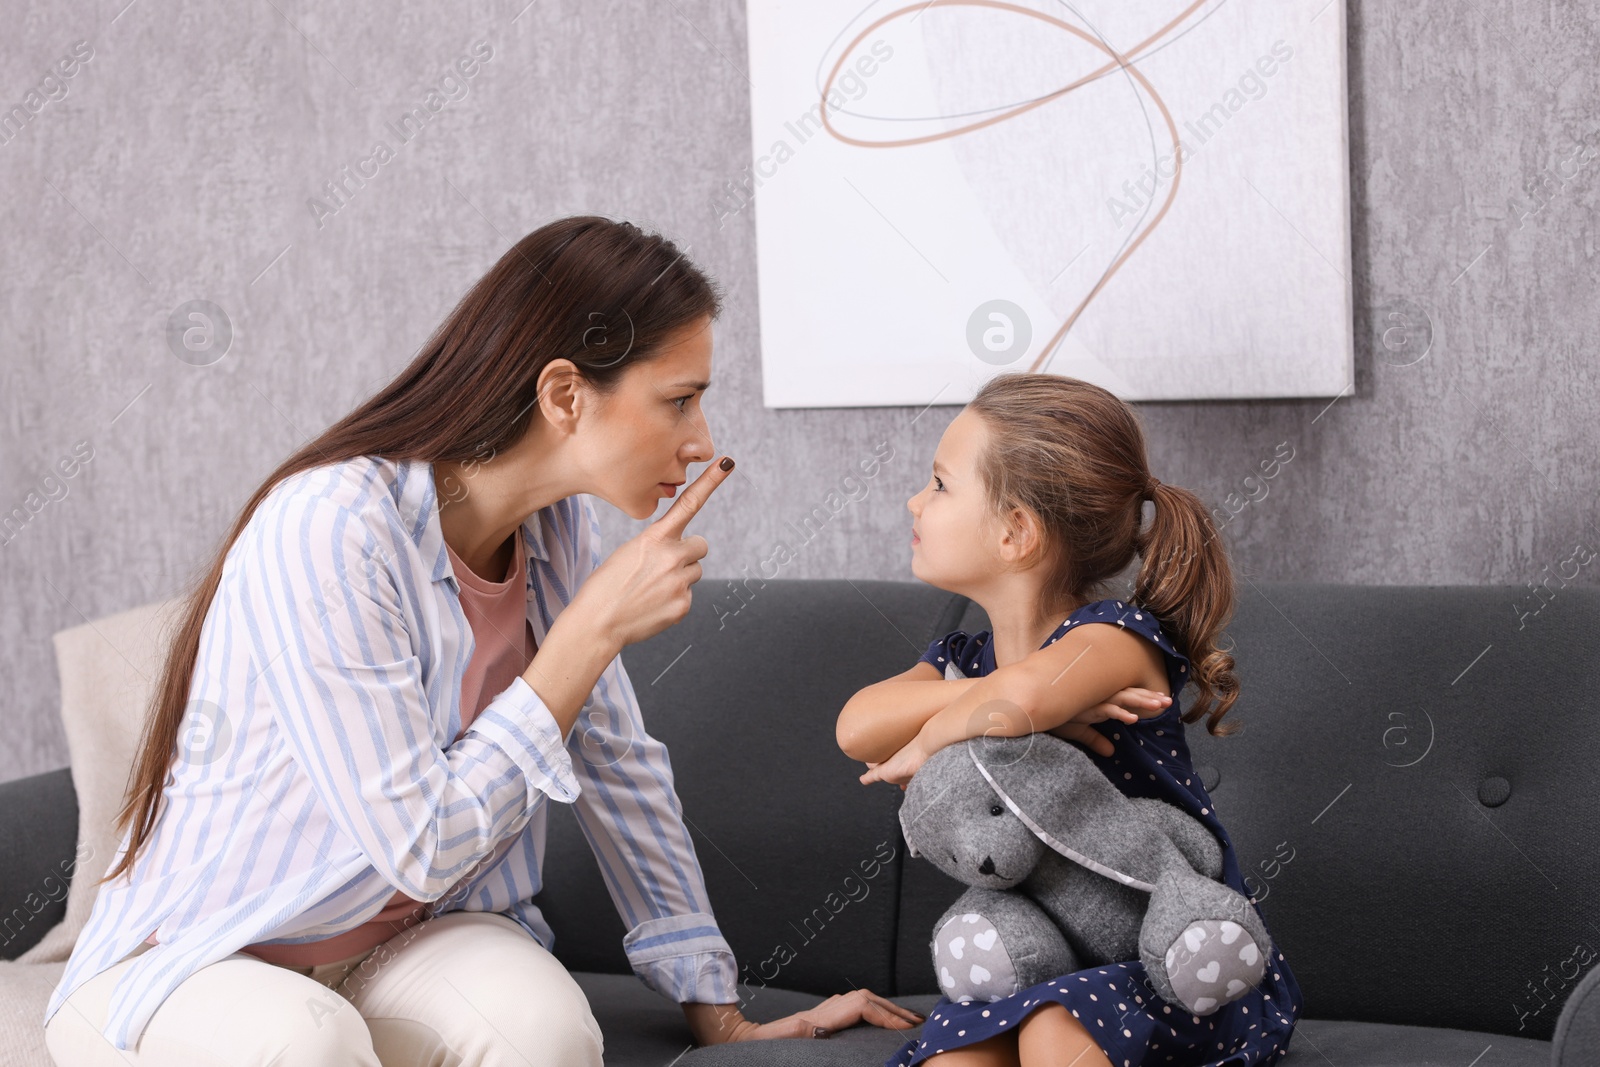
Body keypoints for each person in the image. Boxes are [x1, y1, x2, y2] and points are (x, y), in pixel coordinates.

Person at [44, 216, 922, 1065]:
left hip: (404, 941)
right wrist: (587, 634)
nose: (702, 442)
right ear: (566, 394)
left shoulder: (556, 532)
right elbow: (421, 844)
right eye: (680, 400)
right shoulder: (333, 527)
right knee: (305, 1042)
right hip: (210, 951)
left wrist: (719, 1014)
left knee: (542, 1029)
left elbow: (619, 763)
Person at [836, 373, 1303, 1067]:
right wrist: (986, 696)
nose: (915, 500)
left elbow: (1021, 699)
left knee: (1057, 1032)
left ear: (1016, 530)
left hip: (1175, 961)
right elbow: (858, 724)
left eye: (938, 484)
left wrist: (943, 729)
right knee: (955, 1057)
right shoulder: (966, 661)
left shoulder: (1115, 639)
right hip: (1035, 952)